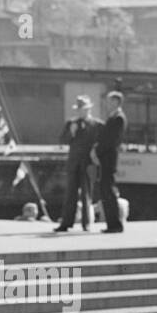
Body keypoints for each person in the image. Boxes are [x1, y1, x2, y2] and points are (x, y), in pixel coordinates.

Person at [54, 96, 100, 231]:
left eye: (83, 109)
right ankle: (66, 222)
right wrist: (71, 133)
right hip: (74, 162)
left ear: (88, 109)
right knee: (70, 194)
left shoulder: (96, 124)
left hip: (88, 163)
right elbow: (62, 140)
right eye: (79, 109)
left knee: (86, 194)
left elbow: (100, 142)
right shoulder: (71, 123)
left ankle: (86, 223)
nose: (80, 112)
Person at [94, 91, 127, 232]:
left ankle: (115, 224)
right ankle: (112, 223)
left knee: (108, 191)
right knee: (105, 190)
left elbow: (110, 140)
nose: (107, 104)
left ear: (116, 102)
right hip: (106, 158)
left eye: (109, 101)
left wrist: (97, 151)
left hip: (108, 158)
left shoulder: (118, 118)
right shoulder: (113, 117)